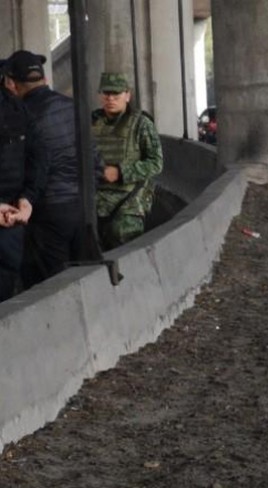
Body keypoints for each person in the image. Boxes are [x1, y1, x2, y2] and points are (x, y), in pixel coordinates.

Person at [2, 50, 84, 290]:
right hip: (80, 206)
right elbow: (94, 160)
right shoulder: (73, 107)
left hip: (43, 212)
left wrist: (26, 199)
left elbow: (28, 163)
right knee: (78, 279)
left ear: (11, 84)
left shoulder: (19, 115)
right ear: (45, 80)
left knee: (46, 285)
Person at [91, 72, 163, 250]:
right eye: (107, 94)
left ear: (127, 95)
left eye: (116, 94)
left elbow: (156, 163)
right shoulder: (91, 122)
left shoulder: (141, 124)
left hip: (129, 201)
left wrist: (121, 172)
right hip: (95, 200)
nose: (111, 99)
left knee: (123, 242)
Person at [0, 73, 44, 301]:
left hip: (11, 215)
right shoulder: (18, 109)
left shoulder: (17, 110)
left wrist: (27, 198)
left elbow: (36, 157)